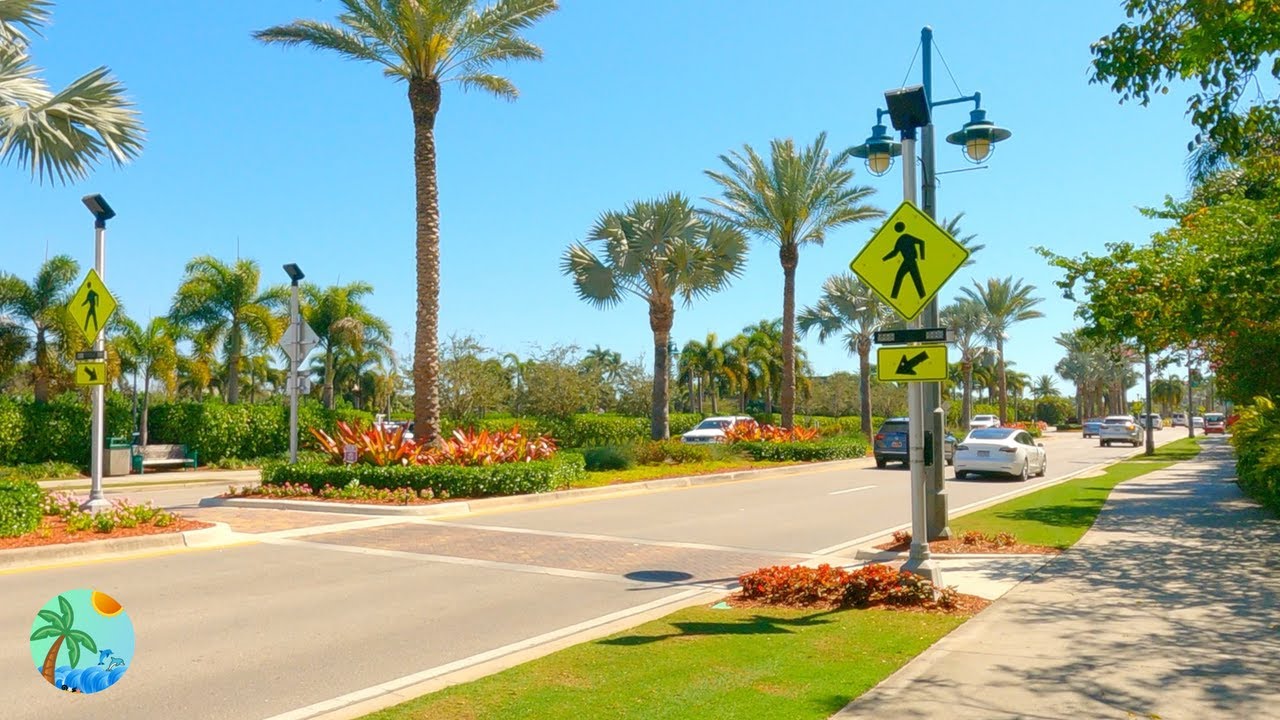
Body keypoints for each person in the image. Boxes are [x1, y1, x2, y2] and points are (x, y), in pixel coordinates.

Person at [882, 221, 926, 299]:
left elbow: (921, 242)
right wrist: (884, 259)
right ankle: (894, 296)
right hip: (907, 261)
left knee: (915, 279)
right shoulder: (901, 239)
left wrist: (922, 257)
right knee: (902, 277)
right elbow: (895, 252)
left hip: (911, 261)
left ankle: (922, 296)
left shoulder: (905, 237)